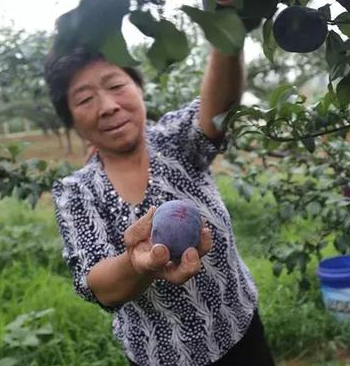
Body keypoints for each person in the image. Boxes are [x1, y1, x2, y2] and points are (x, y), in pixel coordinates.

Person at [45, 35, 276, 364]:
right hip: (160, 356)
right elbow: (97, 285)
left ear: (139, 87)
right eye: (84, 100)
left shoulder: (174, 141)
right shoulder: (76, 191)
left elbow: (219, 110)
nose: (108, 106)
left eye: (116, 85)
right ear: (70, 120)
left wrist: (227, 26)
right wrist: (136, 265)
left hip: (239, 332)